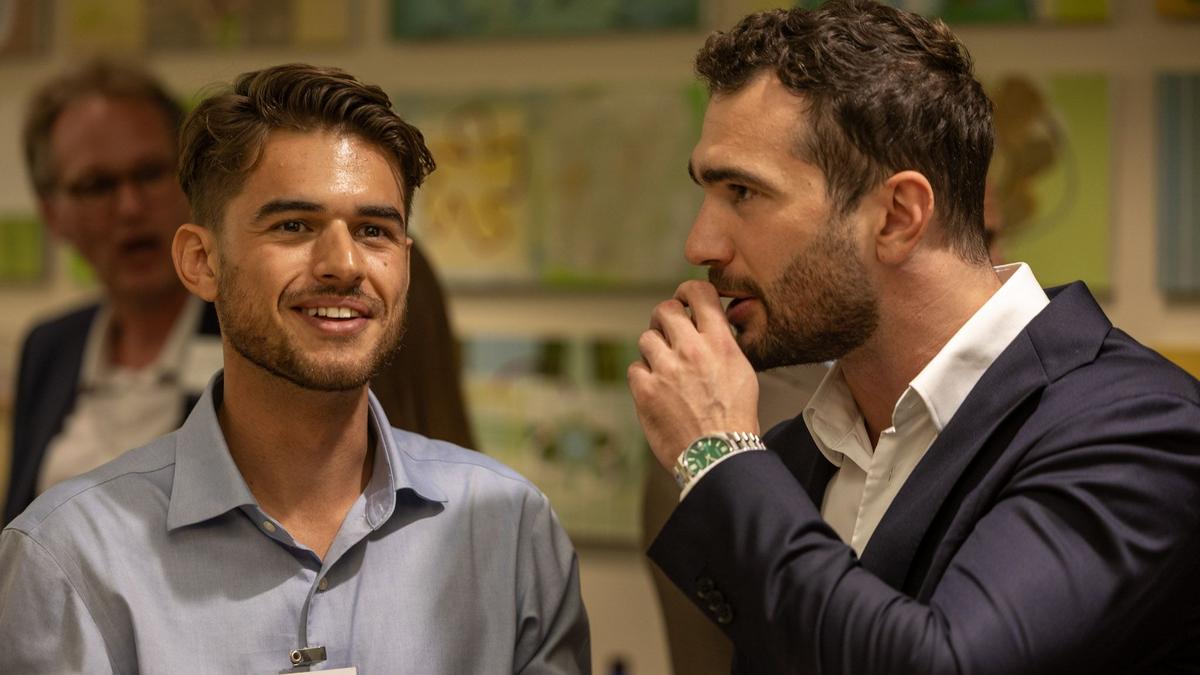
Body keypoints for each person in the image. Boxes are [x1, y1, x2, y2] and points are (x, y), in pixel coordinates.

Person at [627, 2, 1200, 673]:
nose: (701, 244)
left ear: (898, 216)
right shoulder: (794, 455)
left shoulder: (1141, 428)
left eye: (743, 193)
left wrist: (718, 453)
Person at [0, 63, 589, 673]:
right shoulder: (69, 559)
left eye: (373, 230)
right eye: (293, 226)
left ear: (406, 263)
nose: (343, 264)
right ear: (201, 261)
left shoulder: (511, 531)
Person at [4, 58, 222, 524]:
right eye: (96, 185)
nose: (130, 207)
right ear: (52, 215)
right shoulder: (49, 346)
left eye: (150, 173)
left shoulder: (247, 336)